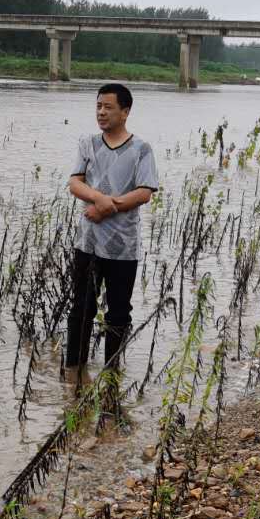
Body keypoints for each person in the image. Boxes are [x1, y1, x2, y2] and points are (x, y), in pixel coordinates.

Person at [64, 83, 160, 375]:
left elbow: (144, 192)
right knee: (81, 307)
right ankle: (74, 371)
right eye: (98, 107)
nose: (101, 112)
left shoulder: (141, 149)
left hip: (123, 246)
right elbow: (75, 182)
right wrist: (98, 198)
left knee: (119, 311)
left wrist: (108, 206)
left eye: (108, 107)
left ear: (125, 112)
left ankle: (111, 372)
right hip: (88, 242)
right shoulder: (87, 144)